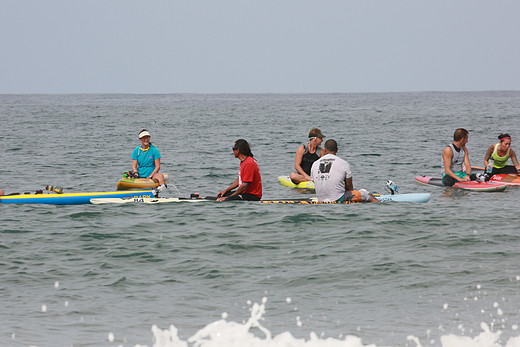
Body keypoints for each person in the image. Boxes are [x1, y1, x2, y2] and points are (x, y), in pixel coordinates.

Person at [310, 139, 378, 203]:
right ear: (337, 150)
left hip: (320, 199)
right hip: (338, 199)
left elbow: (315, 182)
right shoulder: (343, 163)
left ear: (324, 149)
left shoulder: (315, 164)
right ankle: (379, 204)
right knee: (368, 195)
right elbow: (349, 188)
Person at [131, 129, 166, 193]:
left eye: (147, 137)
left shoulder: (154, 150)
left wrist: (150, 176)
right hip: (140, 173)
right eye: (143, 138)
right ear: (140, 139)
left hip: (152, 174)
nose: (146, 140)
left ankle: (157, 190)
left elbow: (157, 167)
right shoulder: (136, 151)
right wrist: (136, 173)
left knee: (160, 176)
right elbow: (134, 166)